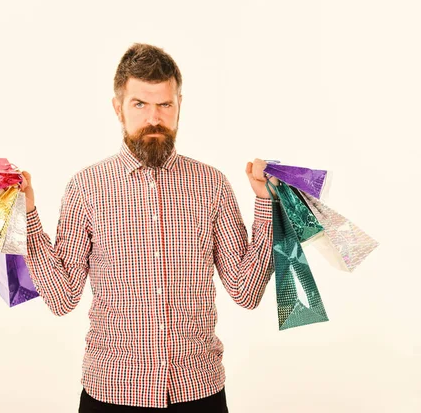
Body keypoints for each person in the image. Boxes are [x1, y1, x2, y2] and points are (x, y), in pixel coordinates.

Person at [20, 43, 278, 412]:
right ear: (118, 107)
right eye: (140, 104)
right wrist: (27, 215)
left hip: (198, 390)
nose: (154, 118)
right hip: (113, 391)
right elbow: (62, 299)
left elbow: (246, 292)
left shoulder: (212, 184)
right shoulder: (86, 187)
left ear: (179, 106)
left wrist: (266, 203)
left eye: (164, 105)